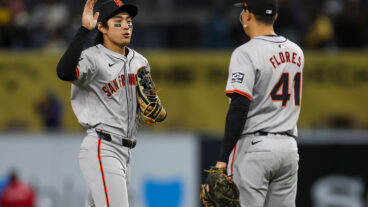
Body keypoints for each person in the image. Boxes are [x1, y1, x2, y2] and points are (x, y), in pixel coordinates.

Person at [56, 0, 167, 206]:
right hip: (102, 146)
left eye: (129, 22)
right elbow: (64, 72)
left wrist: (160, 112)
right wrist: (83, 31)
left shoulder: (140, 61)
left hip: (126, 151)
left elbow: (156, 110)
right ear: (102, 27)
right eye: (118, 22)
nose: (126, 26)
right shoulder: (92, 58)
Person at [204, 0, 304, 206]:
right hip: (289, 148)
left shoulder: (245, 52)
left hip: (255, 148)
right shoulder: (297, 52)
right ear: (275, 17)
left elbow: (239, 108)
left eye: (243, 11)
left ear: (247, 15)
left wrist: (222, 159)